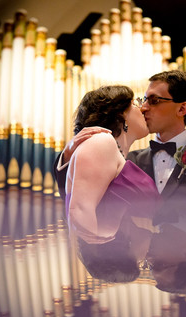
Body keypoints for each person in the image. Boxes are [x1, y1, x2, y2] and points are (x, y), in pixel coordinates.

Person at [55, 70, 186, 227]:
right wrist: (68, 156)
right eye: (143, 100)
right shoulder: (128, 161)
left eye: (154, 100)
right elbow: (80, 201)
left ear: (182, 109)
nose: (143, 108)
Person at [57, 85, 161, 283]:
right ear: (121, 115)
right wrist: (98, 251)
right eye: (136, 104)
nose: (143, 109)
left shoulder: (109, 147)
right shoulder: (102, 142)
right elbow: (80, 208)